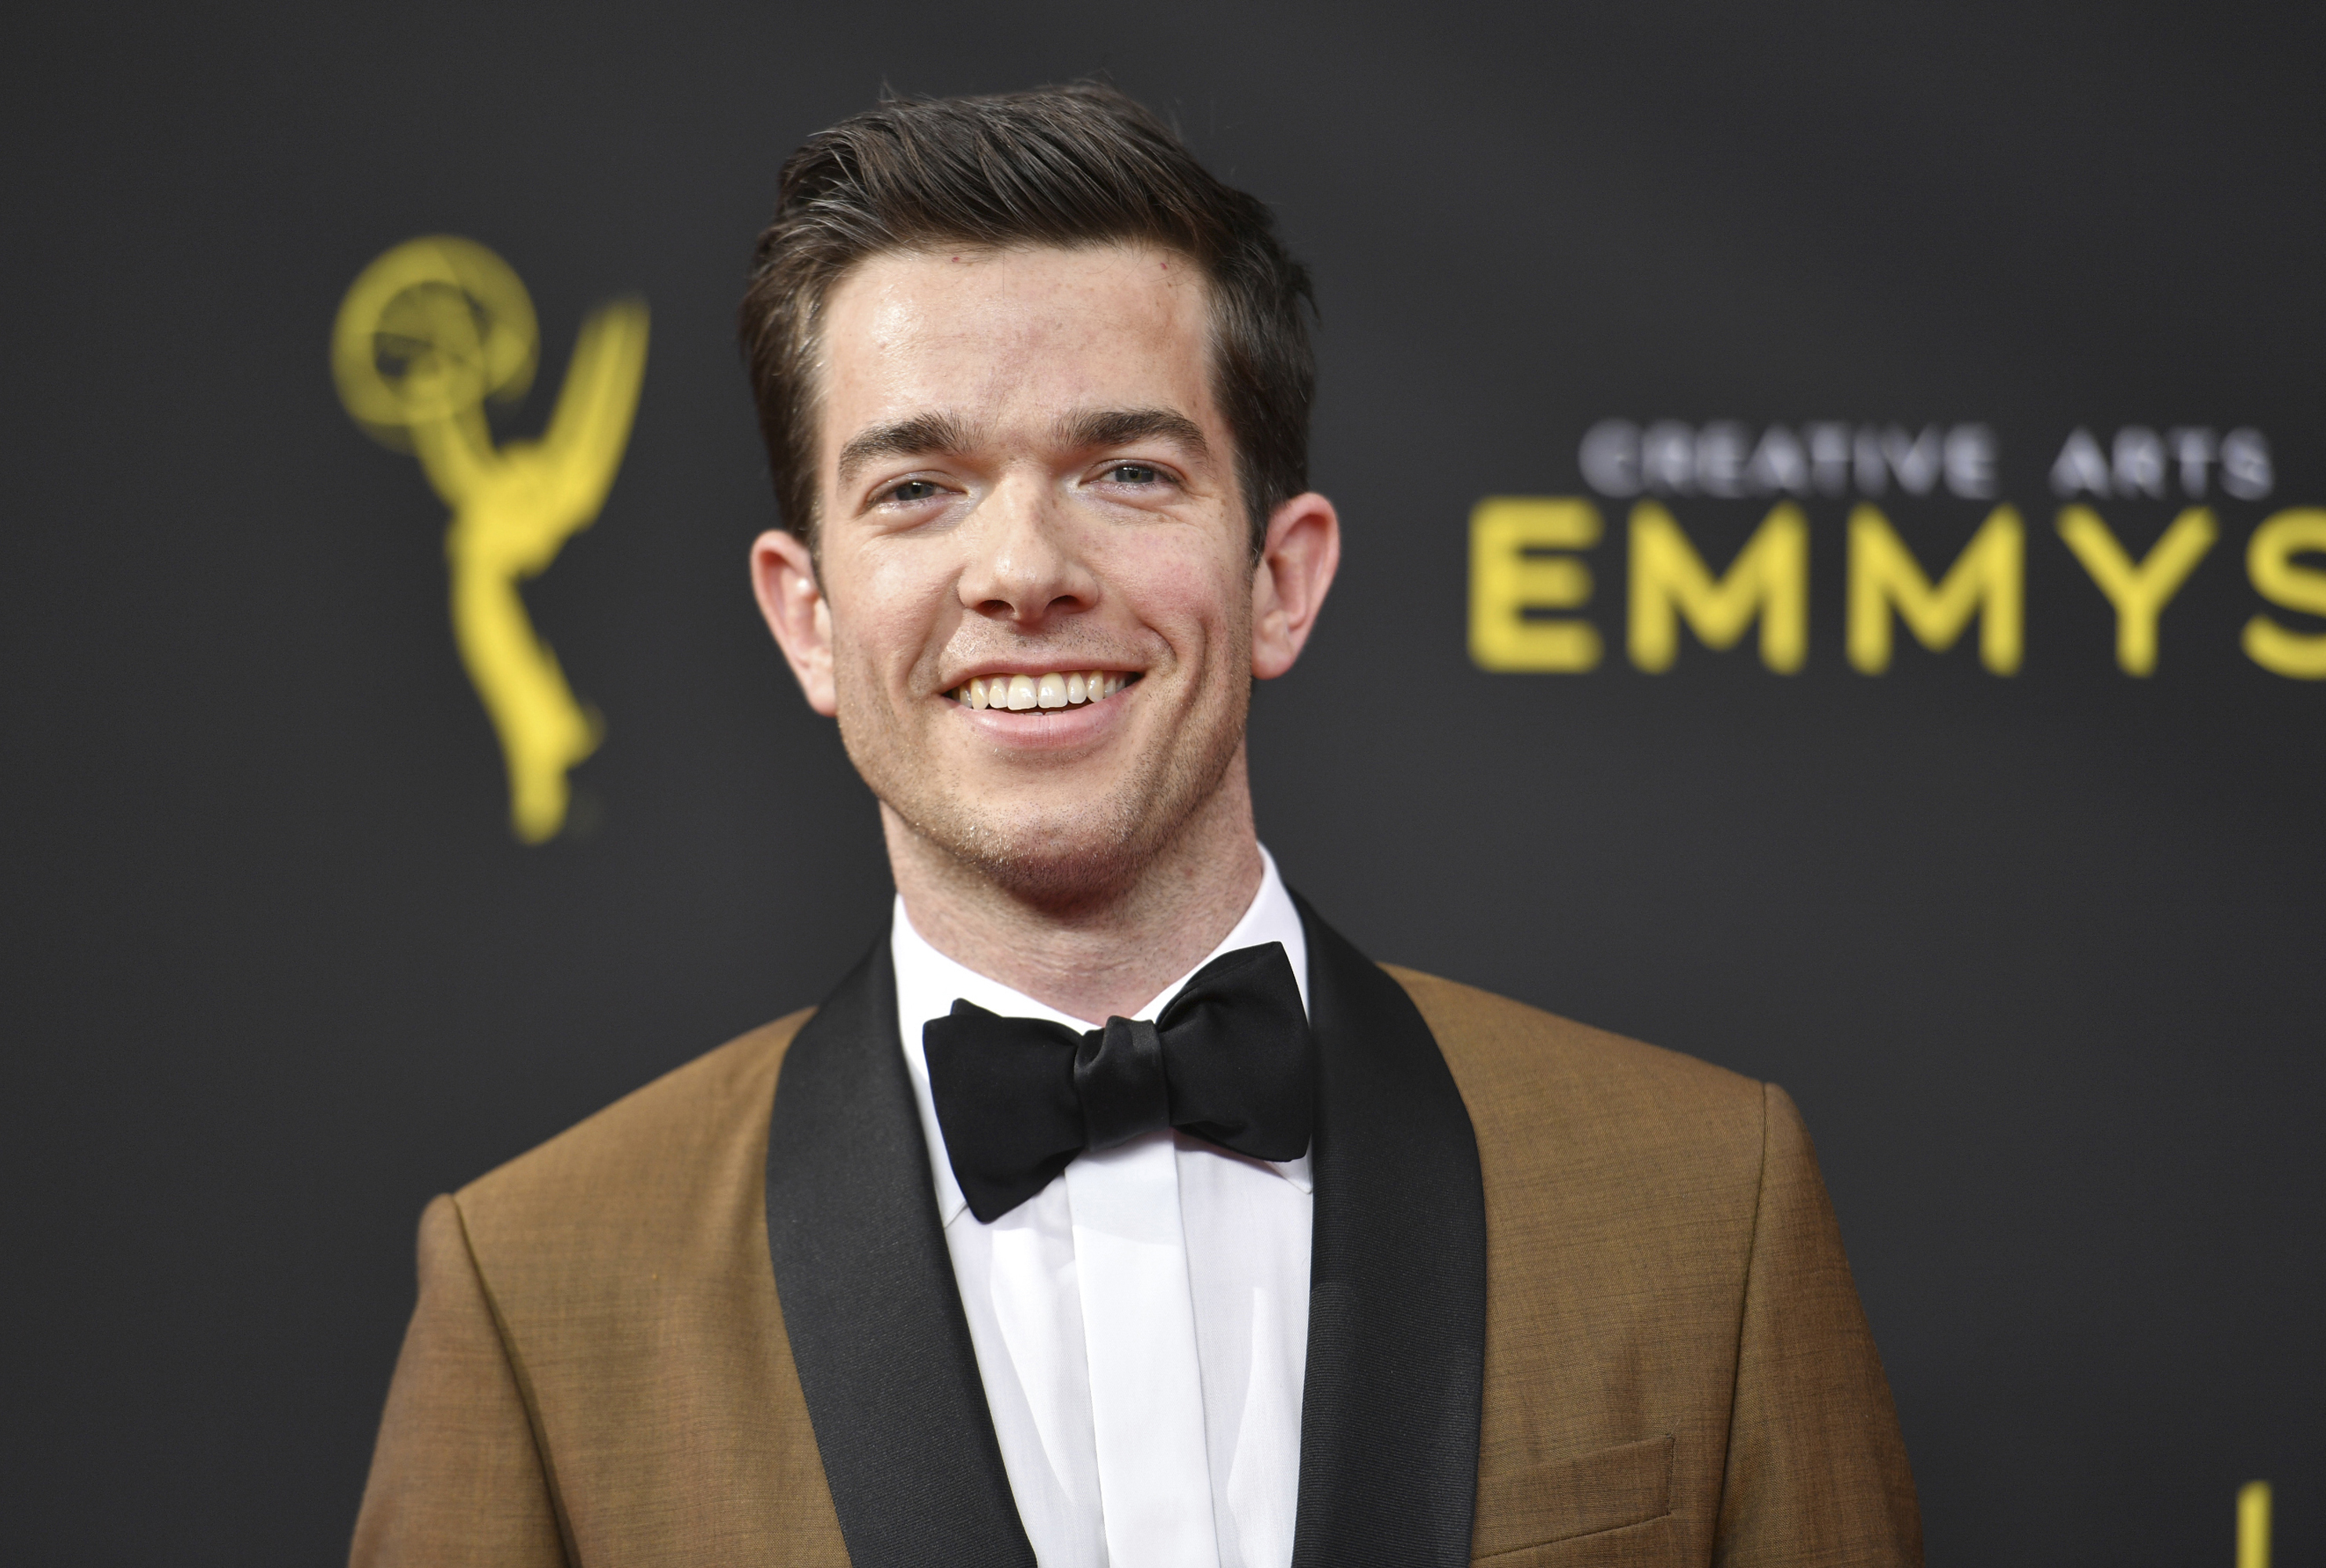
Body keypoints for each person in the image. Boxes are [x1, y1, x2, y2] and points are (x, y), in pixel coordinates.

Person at [351, 83, 1920, 1568]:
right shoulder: (538, 1292)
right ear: (807, 614)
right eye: (919, 488)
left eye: (1125, 468)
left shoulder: (1711, 1206)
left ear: (1281, 577)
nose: (1022, 568)